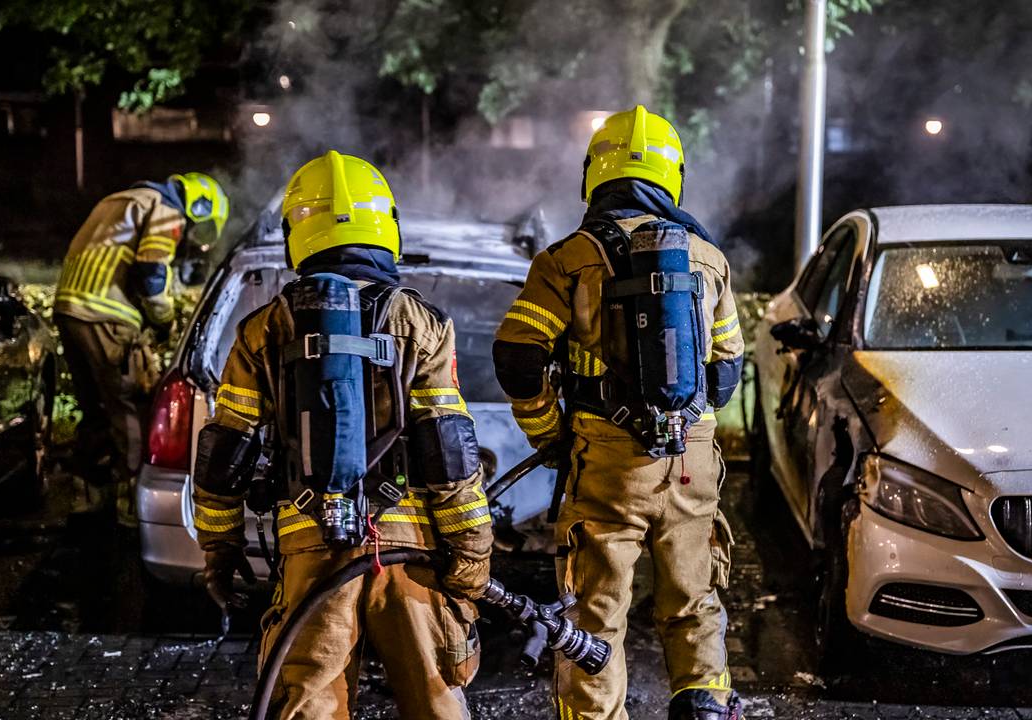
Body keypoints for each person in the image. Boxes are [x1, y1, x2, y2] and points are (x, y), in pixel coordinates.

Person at [191, 150, 492, 720]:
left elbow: (223, 452)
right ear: (387, 226)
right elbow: (448, 449)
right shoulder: (420, 323)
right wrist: (471, 553)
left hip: (311, 549)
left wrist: (219, 550)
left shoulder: (264, 328)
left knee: (308, 704)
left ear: (296, 234)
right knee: (436, 699)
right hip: (410, 552)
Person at [493, 106, 746, 720]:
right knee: (695, 602)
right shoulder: (707, 259)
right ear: (672, 177)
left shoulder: (568, 258)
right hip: (690, 465)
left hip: (606, 463)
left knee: (595, 619)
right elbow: (726, 372)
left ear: (594, 175)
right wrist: (682, 421)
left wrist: (549, 432)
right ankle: (706, 706)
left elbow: (517, 356)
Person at [55, 172, 228, 525]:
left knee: (95, 408)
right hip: (107, 315)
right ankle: (131, 503)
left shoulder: (119, 199)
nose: (189, 236)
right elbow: (151, 271)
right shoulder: (165, 208)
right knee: (131, 407)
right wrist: (163, 319)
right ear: (199, 204)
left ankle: (88, 493)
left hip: (69, 310)